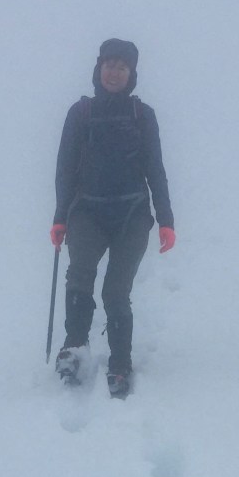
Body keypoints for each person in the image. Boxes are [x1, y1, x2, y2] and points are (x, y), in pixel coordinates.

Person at [50, 38, 175, 398]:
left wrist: (165, 218)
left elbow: (156, 168)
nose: (114, 71)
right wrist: (61, 217)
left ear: (131, 73)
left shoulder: (142, 115)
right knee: (80, 276)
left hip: (132, 214)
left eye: (122, 66)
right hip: (87, 211)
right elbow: (65, 169)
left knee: (116, 291)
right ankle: (74, 349)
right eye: (109, 64)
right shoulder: (81, 113)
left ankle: (120, 362)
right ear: (98, 68)